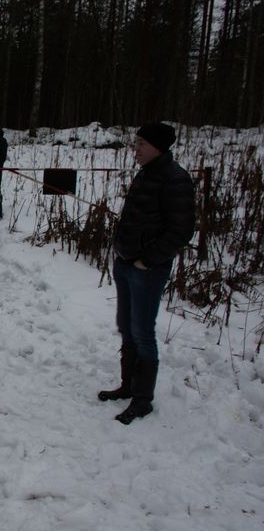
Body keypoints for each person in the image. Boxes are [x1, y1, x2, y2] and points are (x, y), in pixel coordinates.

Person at [99, 122, 195, 425]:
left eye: (141, 143)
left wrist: (148, 260)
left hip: (146, 269)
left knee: (142, 331)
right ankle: (128, 385)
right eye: (136, 142)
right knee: (126, 326)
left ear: (158, 146)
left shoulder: (175, 179)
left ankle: (143, 400)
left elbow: (180, 230)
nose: (135, 149)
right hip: (125, 263)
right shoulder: (146, 173)